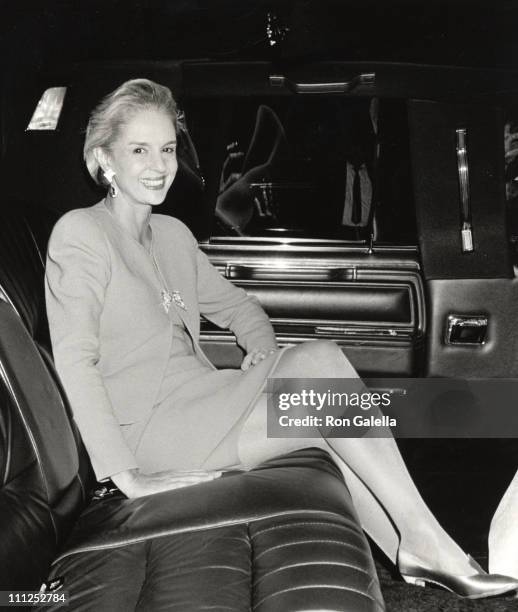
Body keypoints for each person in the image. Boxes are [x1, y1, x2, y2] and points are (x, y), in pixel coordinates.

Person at [44, 78, 518, 600]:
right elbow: (75, 360)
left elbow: (241, 309)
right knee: (321, 364)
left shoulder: (174, 236)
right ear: (105, 159)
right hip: (150, 431)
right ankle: (428, 545)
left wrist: (263, 354)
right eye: (139, 150)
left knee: (326, 415)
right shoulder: (81, 233)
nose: (159, 165)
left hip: (201, 401)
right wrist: (127, 476)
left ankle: (417, 558)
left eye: (168, 149)